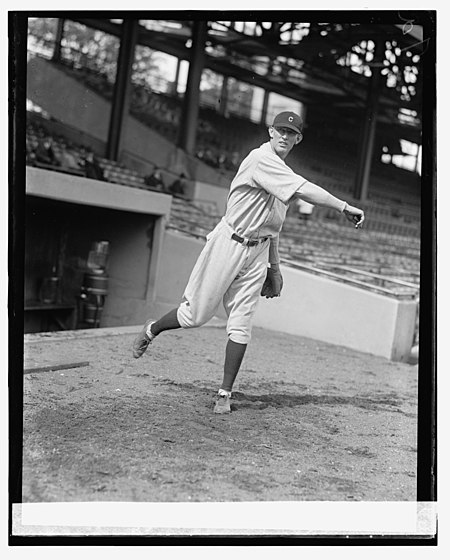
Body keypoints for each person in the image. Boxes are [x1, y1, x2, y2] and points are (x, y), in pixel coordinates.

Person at [132, 111, 365, 414]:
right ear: (270, 132)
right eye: (280, 130)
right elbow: (305, 189)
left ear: (298, 138)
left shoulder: (282, 173)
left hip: (258, 250)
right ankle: (152, 329)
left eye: (290, 133)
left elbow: (274, 229)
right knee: (196, 316)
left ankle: (224, 393)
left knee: (241, 324)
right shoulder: (260, 159)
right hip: (229, 242)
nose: (284, 136)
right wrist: (343, 206)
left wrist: (275, 268)